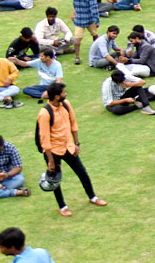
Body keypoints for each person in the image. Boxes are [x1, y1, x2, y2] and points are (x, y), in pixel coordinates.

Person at [37, 83, 106, 216]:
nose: (65, 94)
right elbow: (44, 139)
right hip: (53, 151)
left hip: (68, 146)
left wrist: (76, 143)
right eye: (63, 93)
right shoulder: (44, 113)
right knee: (55, 180)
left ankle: (92, 197)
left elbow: (73, 123)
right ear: (57, 96)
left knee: (82, 172)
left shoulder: (66, 104)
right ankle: (62, 207)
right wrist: (50, 161)